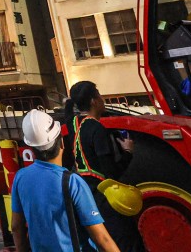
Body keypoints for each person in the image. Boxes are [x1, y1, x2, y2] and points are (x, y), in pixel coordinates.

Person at [11, 109, 120, 252]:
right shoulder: (72, 182)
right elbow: (102, 239)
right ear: (62, 143)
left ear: (31, 148)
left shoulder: (20, 177)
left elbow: (16, 227)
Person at [65, 82, 143, 252]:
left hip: (84, 192)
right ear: (94, 101)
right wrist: (128, 152)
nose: (102, 99)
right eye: (99, 94)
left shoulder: (73, 123)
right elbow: (111, 173)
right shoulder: (97, 129)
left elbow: (67, 113)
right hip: (101, 194)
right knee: (127, 240)